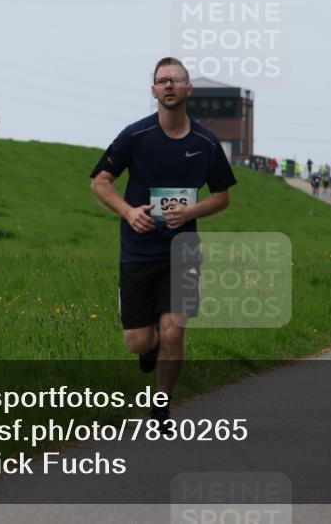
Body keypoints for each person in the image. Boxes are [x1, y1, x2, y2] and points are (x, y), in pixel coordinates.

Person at [89, 57, 236, 426]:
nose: (168, 85)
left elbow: (222, 196)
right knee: (139, 341)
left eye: (176, 80)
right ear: (153, 90)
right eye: (161, 81)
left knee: (173, 329)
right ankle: (149, 347)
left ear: (189, 90)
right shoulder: (135, 135)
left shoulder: (205, 142)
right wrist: (128, 212)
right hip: (138, 250)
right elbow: (100, 182)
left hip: (182, 250)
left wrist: (190, 213)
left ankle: (161, 407)